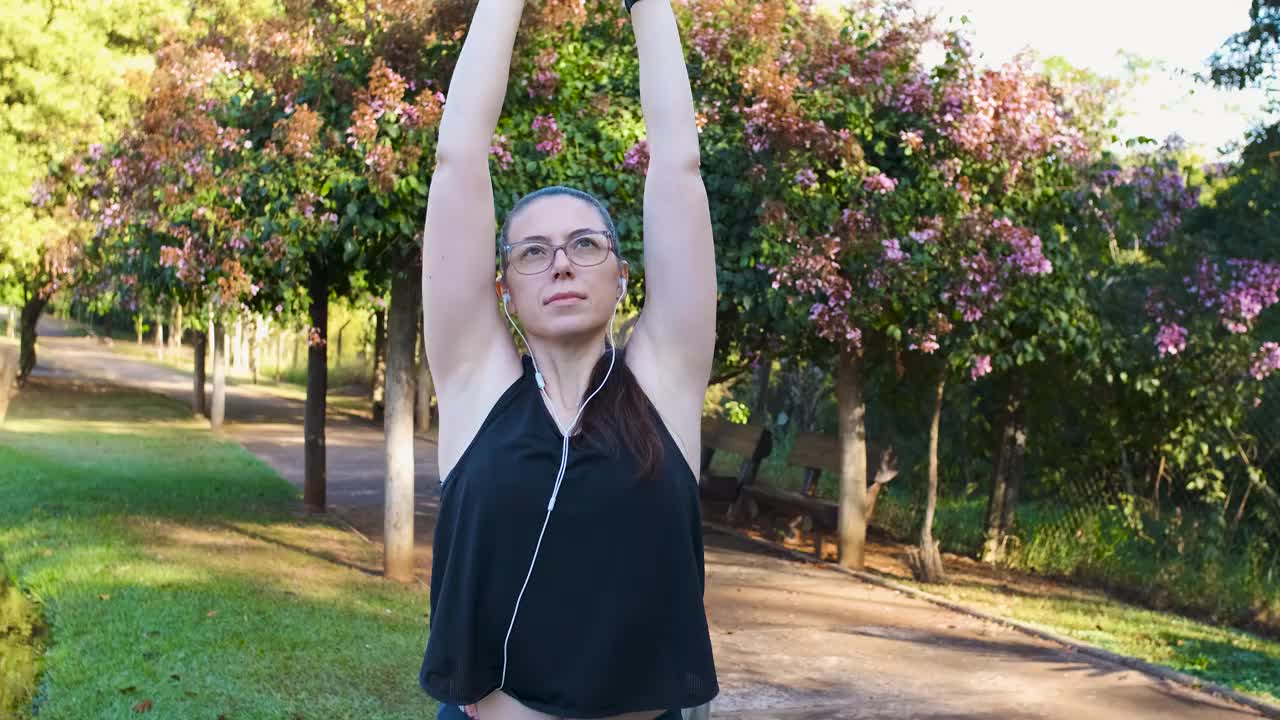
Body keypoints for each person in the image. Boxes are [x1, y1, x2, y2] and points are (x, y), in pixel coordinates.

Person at [416, 0, 719, 717]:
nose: (560, 264)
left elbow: (678, 166)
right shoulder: (473, 384)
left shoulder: (664, 383)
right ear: (505, 290)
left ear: (622, 276)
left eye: (586, 245)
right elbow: (457, 160)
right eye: (532, 251)